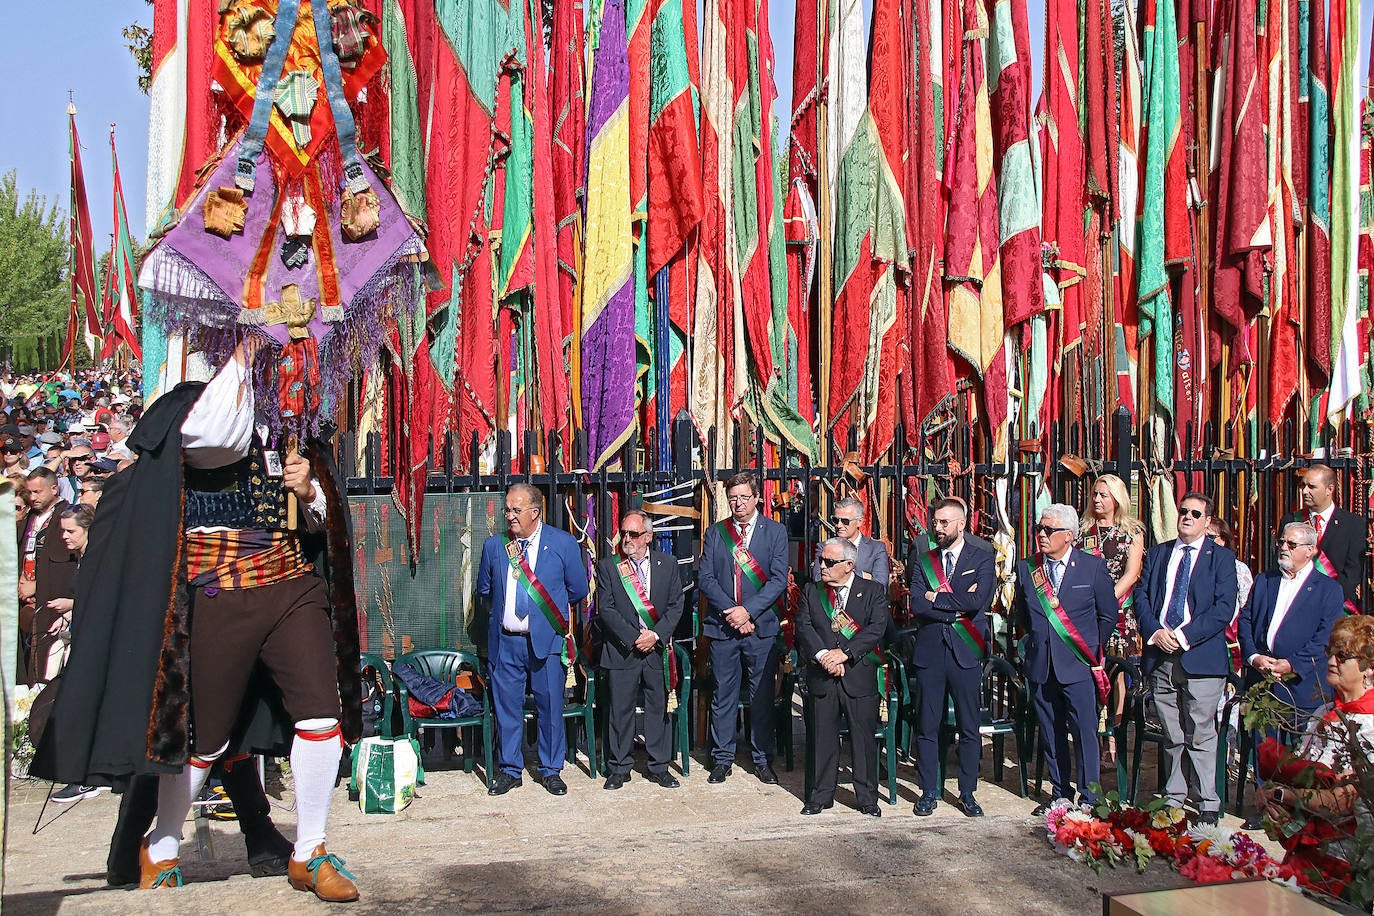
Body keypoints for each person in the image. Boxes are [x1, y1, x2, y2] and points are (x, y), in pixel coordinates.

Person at [32, 340, 363, 902]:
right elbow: (211, 440)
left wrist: (309, 490)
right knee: (202, 737)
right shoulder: (200, 409)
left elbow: (326, 517)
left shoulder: (299, 429)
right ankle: (161, 845)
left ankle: (311, 849)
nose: (286, 361)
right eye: (276, 354)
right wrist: (245, 347)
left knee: (320, 714)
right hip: (219, 592)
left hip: (290, 586)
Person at [477, 482, 589, 798]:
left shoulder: (564, 544)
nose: (509, 516)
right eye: (507, 509)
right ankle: (510, 770)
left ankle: (550, 769)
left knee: (550, 706)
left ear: (535, 512)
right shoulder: (494, 547)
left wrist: (544, 615)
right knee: (507, 709)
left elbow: (578, 590)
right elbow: (484, 590)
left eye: (516, 510)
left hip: (546, 641)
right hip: (507, 642)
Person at [1132, 491, 1237, 824]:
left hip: (1201, 657)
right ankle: (1175, 794)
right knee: (1172, 732)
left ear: (1207, 522)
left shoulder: (1220, 558)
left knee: (1201, 731)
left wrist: (1183, 636)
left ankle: (1208, 798)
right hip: (1161, 654)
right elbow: (1141, 595)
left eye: (1195, 513)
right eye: (1183, 511)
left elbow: (1223, 609)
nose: (1187, 517)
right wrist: (1156, 632)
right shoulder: (1161, 554)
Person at [1251, 616, 1374, 899]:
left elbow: (1342, 801)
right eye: (1331, 652)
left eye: (1343, 656)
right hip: (1307, 853)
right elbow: (1298, 772)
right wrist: (1269, 794)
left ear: (1368, 669)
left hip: (1348, 862)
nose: (1332, 660)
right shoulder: (1324, 713)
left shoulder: (1370, 726)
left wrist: (1283, 795)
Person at [1015, 504, 1118, 814]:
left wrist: (1087, 648)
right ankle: (1060, 792)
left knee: (1084, 731)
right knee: (1050, 730)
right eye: (1039, 529)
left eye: (1049, 530)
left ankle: (1089, 798)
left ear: (1069, 536)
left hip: (1078, 665)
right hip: (1042, 665)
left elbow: (1108, 615)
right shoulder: (1027, 568)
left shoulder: (1092, 568)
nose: (1041, 535)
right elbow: (1022, 614)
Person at [697, 472, 790, 785]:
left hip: (760, 627)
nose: (738, 504)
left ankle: (762, 758)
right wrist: (732, 612)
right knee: (722, 695)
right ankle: (722, 758)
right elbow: (706, 578)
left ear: (756, 498)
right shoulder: (716, 533)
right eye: (733, 498)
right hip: (724, 627)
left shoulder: (774, 532)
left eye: (743, 497)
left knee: (761, 696)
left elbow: (778, 579)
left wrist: (748, 611)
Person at [908, 497, 995, 817]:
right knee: (928, 725)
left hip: (966, 651)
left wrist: (938, 598)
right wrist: (951, 606)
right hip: (931, 652)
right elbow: (917, 603)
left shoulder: (982, 557)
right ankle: (929, 791)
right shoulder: (923, 559)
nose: (938, 527)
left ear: (961, 524)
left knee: (969, 727)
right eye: (935, 522)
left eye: (945, 522)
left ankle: (967, 792)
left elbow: (977, 601)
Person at [794, 538, 890, 817]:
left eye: (829, 562)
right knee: (821, 738)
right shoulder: (812, 591)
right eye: (821, 561)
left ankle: (867, 798)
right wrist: (825, 655)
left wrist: (845, 653)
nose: (822, 566)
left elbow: (876, 629)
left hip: (857, 675)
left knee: (863, 741)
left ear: (849, 565)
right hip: (823, 675)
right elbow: (804, 626)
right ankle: (819, 796)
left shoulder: (871, 591)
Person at [595, 508, 684, 790]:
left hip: (656, 650)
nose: (627, 539)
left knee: (658, 708)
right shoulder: (609, 567)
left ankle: (659, 766)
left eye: (634, 534)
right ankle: (619, 767)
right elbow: (606, 609)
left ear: (648, 536)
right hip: (624, 650)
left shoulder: (667, 564)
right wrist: (635, 637)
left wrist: (655, 635)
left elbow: (675, 606)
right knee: (620, 711)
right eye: (624, 533)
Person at [1239, 522, 1344, 720]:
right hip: (1262, 686)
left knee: (1301, 749)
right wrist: (1254, 657)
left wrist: (1292, 664)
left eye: (1291, 544)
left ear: (1310, 550)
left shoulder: (1328, 589)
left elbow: (1325, 637)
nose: (1284, 548)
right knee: (1262, 749)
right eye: (1281, 542)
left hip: (1303, 689)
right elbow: (1245, 620)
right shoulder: (1264, 580)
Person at [1079, 474, 1146, 764]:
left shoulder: (1132, 531)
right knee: (1092, 675)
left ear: (1117, 498)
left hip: (1118, 613)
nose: (1097, 499)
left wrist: (1105, 602)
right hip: (1086, 613)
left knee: (1117, 678)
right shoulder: (1083, 531)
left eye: (1104, 495)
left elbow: (1132, 573)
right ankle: (1091, 739)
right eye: (1095, 494)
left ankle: (1114, 742)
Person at [18, 467, 75, 686]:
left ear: (53, 488)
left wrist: (37, 585)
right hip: (26, 597)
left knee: (46, 663)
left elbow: (65, 567)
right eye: (29, 492)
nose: (32, 498)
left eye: (38, 492)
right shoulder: (31, 517)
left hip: (51, 599)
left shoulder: (66, 516)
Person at [1286, 464, 1368, 613]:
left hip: (1335, 607)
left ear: (1329, 489)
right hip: (1297, 605)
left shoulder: (1353, 524)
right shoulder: (1291, 520)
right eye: (1303, 486)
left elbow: (1353, 573)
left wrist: (1327, 601)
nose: (1304, 491)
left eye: (1312, 487)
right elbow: (1284, 566)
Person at [810, 496, 890, 585]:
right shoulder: (824, 547)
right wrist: (863, 575)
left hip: (864, 599)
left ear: (859, 522)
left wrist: (835, 574)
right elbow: (818, 579)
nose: (839, 525)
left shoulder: (876, 549)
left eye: (845, 521)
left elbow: (881, 586)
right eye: (835, 520)